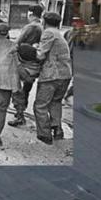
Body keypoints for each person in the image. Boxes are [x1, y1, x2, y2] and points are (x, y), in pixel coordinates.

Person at [33, 11, 73, 145]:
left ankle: (45, 134)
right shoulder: (58, 33)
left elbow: (40, 56)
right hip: (65, 75)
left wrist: (34, 48)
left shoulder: (48, 32)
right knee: (55, 102)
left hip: (51, 76)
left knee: (40, 106)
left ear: (45, 22)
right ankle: (57, 130)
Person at [8, 5, 45, 127]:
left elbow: (17, 43)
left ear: (31, 14)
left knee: (16, 89)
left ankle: (20, 115)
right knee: (26, 89)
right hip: (36, 64)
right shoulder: (42, 27)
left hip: (23, 63)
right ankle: (21, 110)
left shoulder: (30, 27)